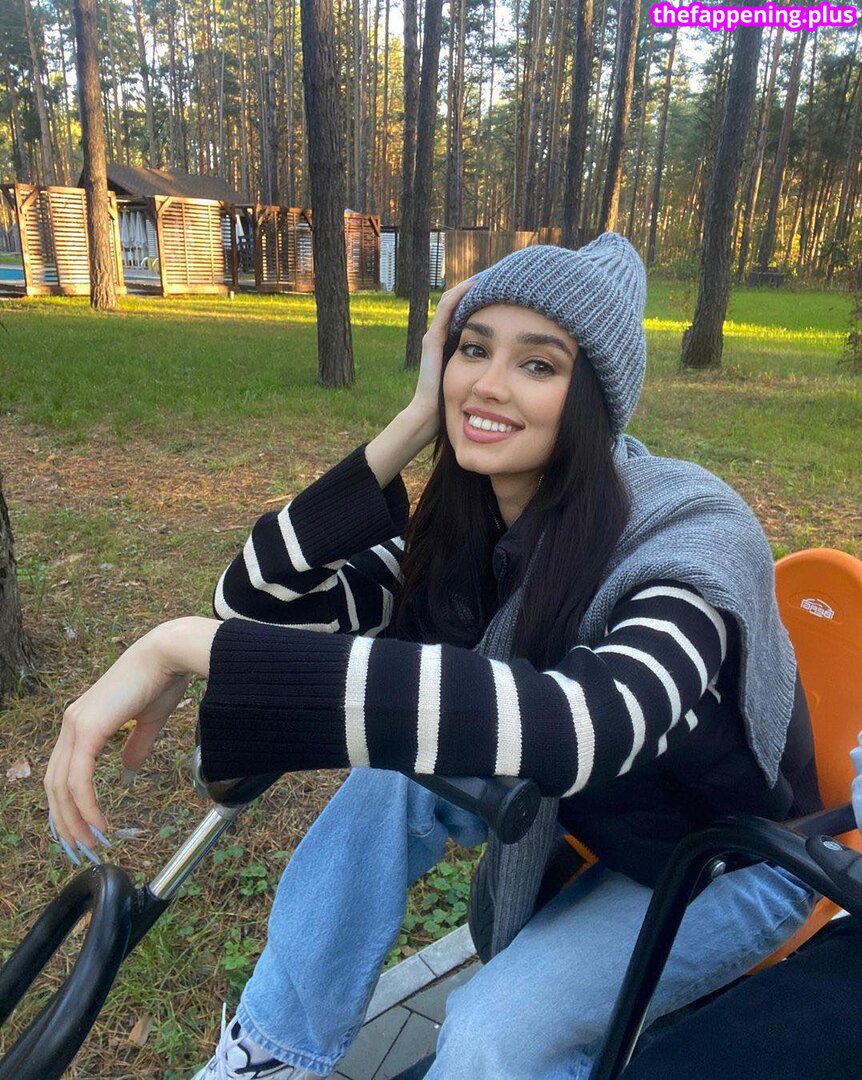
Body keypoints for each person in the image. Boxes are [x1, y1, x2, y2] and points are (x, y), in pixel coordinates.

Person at [45, 234, 822, 1080]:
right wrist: (419, 418)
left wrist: (185, 645)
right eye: (473, 350)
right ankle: (271, 1053)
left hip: (728, 859)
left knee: (492, 1034)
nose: (487, 384)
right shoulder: (474, 525)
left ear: (595, 398)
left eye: (538, 364)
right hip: (589, 810)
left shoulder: (690, 533)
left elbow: (581, 727)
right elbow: (257, 600)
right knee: (390, 774)